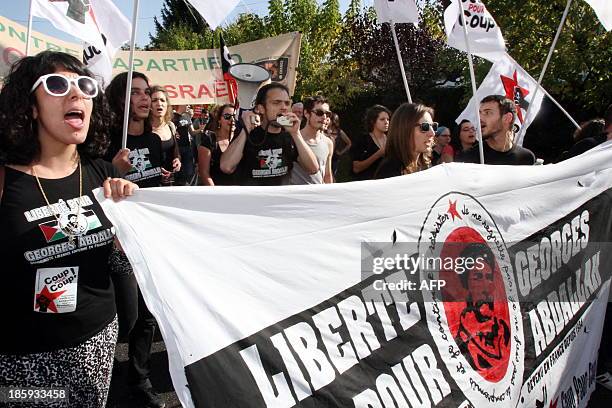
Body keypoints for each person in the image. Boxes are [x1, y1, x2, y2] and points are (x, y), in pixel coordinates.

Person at [0, 51, 137, 407]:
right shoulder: (5, 180)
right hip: (22, 361)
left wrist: (131, 223)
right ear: (30, 107)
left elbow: (119, 263)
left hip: (97, 344)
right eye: (57, 85)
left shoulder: (106, 174)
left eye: (84, 86)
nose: (76, 94)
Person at [105, 72, 166, 408]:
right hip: (116, 242)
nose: (144, 98)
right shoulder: (105, 141)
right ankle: (100, 364)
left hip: (149, 239)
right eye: (135, 93)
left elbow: (152, 190)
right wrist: (112, 169)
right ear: (119, 99)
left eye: (146, 92)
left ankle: (139, 379)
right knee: (126, 318)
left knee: (148, 315)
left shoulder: (155, 141)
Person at [220, 83, 319, 186]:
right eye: (276, 103)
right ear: (261, 108)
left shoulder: (290, 137)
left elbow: (313, 169)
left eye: (286, 103)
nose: (283, 107)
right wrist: (245, 130)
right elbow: (226, 167)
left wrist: (296, 134)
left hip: (280, 201)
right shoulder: (247, 135)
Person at [457, 95, 535, 165]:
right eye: (479, 113)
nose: (479, 118)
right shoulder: (467, 159)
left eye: (487, 113)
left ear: (507, 118)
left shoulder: (526, 158)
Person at [374, 103, 435, 179]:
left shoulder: (426, 165)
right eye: (425, 126)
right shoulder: (389, 172)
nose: (432, 133)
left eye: (433, 126)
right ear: (404, 130)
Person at [290, 95, 334, 184]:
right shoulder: (293, 139)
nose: (324, 117)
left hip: (318, 196)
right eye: (319, 113)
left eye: (328, 114)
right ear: (306, 113)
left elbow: (327, 175)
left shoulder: (328, 142)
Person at [198, 104, 236, 186]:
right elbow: (203, 172)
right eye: (227, 116)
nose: (232, 119)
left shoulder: (241, 138)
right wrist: (215, 193)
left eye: (235, 116)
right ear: (219, 120)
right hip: (216, 190)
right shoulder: (210, 139)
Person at [150, 85, 181, 186]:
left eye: (162, 100)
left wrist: (178, 160)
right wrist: (155, 171)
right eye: (154, 100)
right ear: (149, 104)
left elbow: (176, 152)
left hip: (170, 184)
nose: (159, 103)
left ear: (167, 104)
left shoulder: (171, 126)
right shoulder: (143, 129)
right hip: (150, 185)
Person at [351, 104, 391, 181]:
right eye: (382, 119)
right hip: (368, 184)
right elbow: (356, 168)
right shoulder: (362, 140)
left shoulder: (391, 139)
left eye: (388, 119)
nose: (386, 122)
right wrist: (378, 154)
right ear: (373, 121)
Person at [326, 112, 352, 177]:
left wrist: (341, 152)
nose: (327, 120)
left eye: (329, 119)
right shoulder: (324, 130)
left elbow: (349, 143)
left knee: (333, 175)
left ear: (334, 121)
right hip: (325, 156)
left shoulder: (339, 131)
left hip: (335, 157)